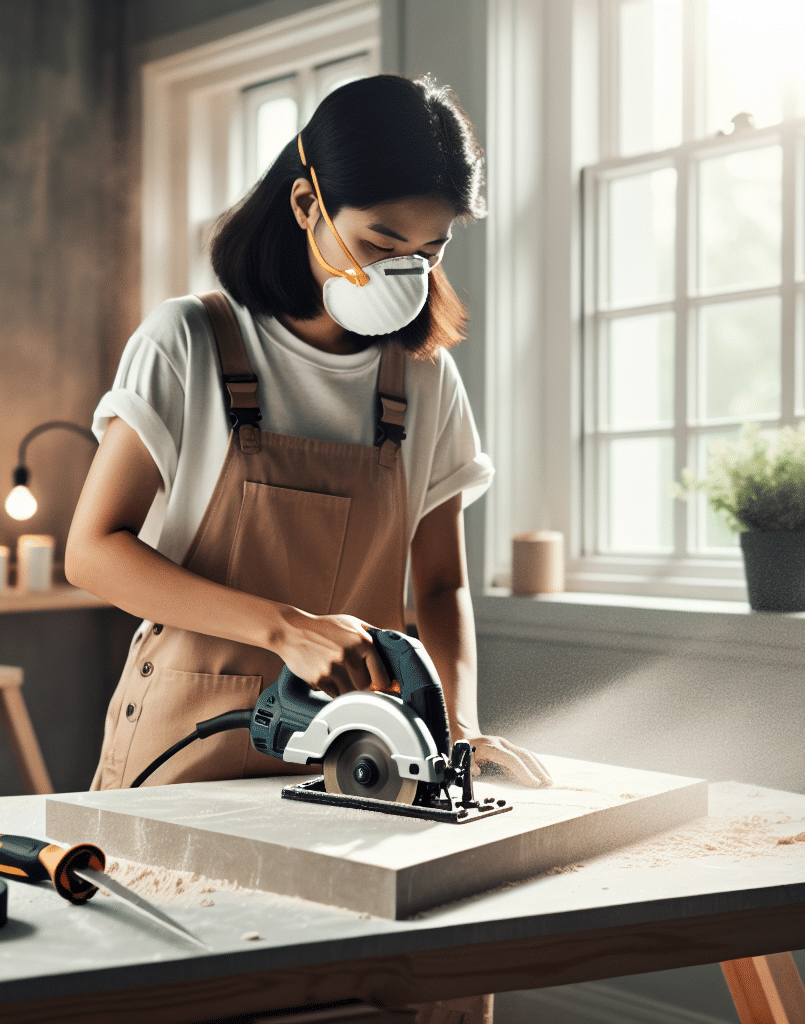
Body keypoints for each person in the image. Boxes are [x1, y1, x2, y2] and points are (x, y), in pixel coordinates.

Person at [69, 73, 547, 799]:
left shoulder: (424, 381)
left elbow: (442, 584)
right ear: (305, 205)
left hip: (361, 759)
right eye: (381, 241)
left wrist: (458, 730)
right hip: (183, 750)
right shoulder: (189, 341)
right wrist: (284, 628)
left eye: (429, 251)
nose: (404, 273)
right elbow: (92, 551)